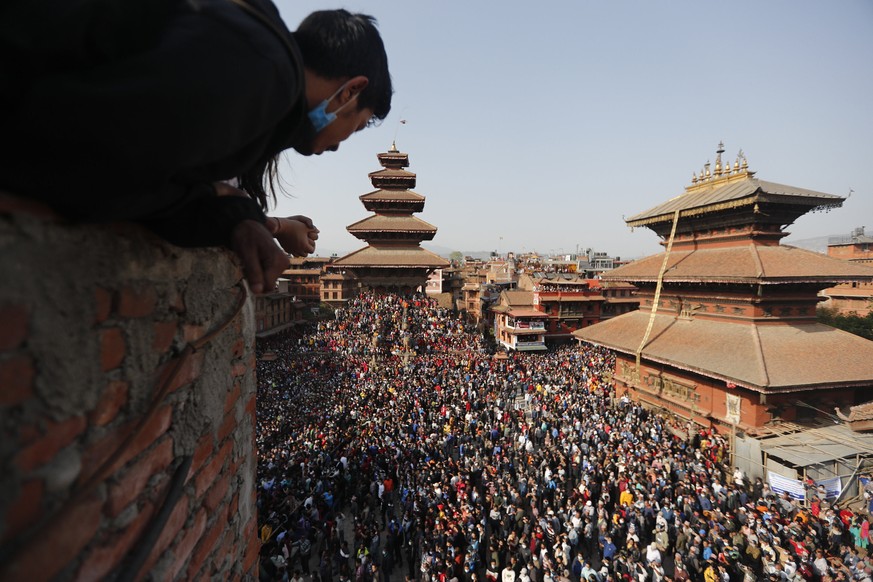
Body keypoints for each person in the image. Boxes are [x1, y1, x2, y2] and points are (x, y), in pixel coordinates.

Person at [0, 0, 392, 294]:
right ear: (350, 91)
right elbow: (85, 165)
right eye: (354, 128)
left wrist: (233, 212)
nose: (340, 147)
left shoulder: (257, 57)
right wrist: (217, 200)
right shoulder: (260, 73)